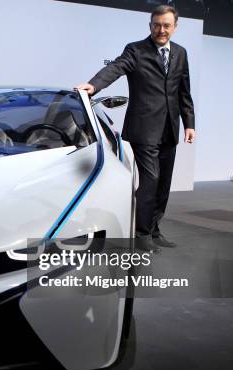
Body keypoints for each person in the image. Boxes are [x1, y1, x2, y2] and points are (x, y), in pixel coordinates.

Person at [76, 5, 195, 252]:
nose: (161, 30)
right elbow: (115, 68)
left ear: (175, 27)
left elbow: (184, 92)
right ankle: (141, 235)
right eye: (156, 25)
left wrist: (189, 124)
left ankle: (154, 229)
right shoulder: (136, 50)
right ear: (150, 25)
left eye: (166, 25)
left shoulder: (181, 53)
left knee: (163, 183)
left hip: (169, 129)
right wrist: (93, 85)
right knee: (150, 181)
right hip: (144, 128)